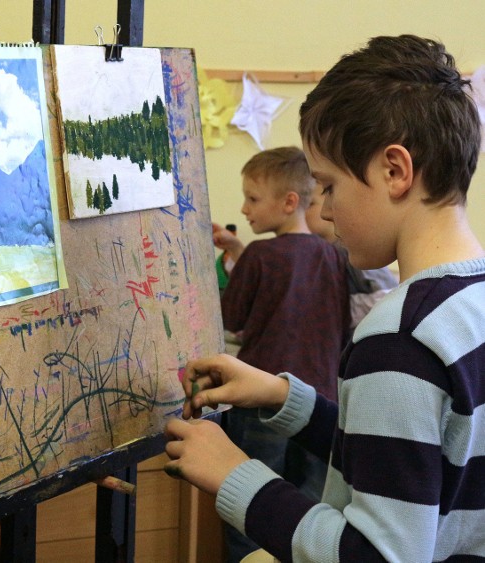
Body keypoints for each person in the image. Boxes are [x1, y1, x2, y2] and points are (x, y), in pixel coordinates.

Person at [165, 35, 485, 562]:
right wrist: (286, 400)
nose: (327, 213)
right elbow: (415, 464)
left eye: (329, 186)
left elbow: (374, 556)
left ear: (395, 171)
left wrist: (235, 475)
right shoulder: (466, 305)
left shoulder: (402, 338)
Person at [212, 146, 350, 561]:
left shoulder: (260, 255)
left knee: (248, 506)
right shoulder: (334, 256)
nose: (244, 207)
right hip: (321, 402)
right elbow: (340, 326)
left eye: (253, 198)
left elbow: (231, 317)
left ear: (289, 202)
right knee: (306, 514)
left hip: (261, 398)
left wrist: (235, 259)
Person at [305, 183, 398, 330]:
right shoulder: (317, 252)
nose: (303, 212)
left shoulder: (352, 249)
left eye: (310, 204)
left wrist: (335, 310)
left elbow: (386, 296)